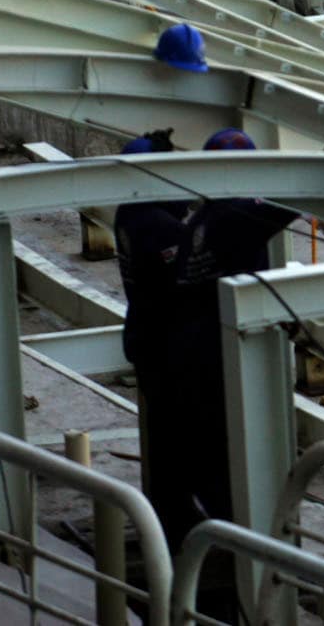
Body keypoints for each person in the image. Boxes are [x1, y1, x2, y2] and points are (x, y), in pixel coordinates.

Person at [113, 129, 298, 565]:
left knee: (175, 447)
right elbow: (289, 201)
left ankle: (182, 525)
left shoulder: (171, 218)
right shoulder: (185, 223)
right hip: (193, 355)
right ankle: (235, 540)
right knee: (212, 450)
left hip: (164, 347)